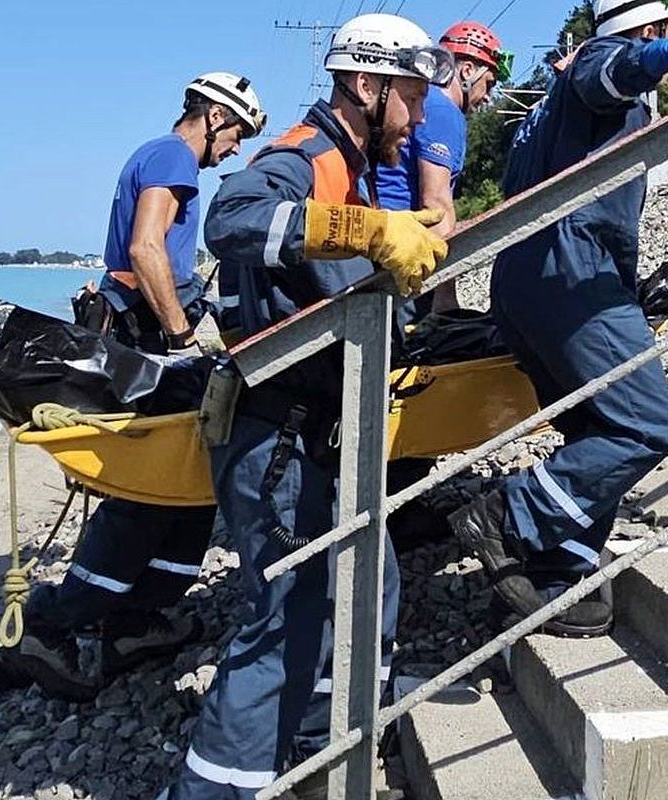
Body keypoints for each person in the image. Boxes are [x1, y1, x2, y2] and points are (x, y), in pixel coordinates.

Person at [159, 14, 451, 798]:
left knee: (371, 582)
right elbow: (232, 219)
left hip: (315, 432)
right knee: (289, 610)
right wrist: (368, 229)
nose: (420, 117)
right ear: (368, 84)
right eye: (413, 96)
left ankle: (328, 752)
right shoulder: (307, 155)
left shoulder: (349, 166)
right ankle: (214, 789)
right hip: (277, 437)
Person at [450, 0, 668, 638]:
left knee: (598, 423)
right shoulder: (596, 71)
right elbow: (606, 71)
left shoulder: (545, 110)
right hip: (569, 273)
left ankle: (557, 566)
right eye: (667, 34)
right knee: (646, 427)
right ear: (647, 32)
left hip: (530, 280)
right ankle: (510, 517)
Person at [13, 73, 268, 700]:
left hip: (139, 324)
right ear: (212, 115)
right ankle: (55, 622)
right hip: (144, 333)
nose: (234, 148)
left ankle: (139, 616)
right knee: (148, 490)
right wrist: (182, 335)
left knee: (187, 481)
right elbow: (146, 246)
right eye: (235, 132)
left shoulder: (164, 157)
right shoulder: (173, 156)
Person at [376, 21, 511, 316]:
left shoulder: (426, 104)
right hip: (403, 261)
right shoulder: (442, 111)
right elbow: (436, 204)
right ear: (466, 71)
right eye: (489, 83)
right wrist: (445, 300)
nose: (488, 96)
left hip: (387, 247)